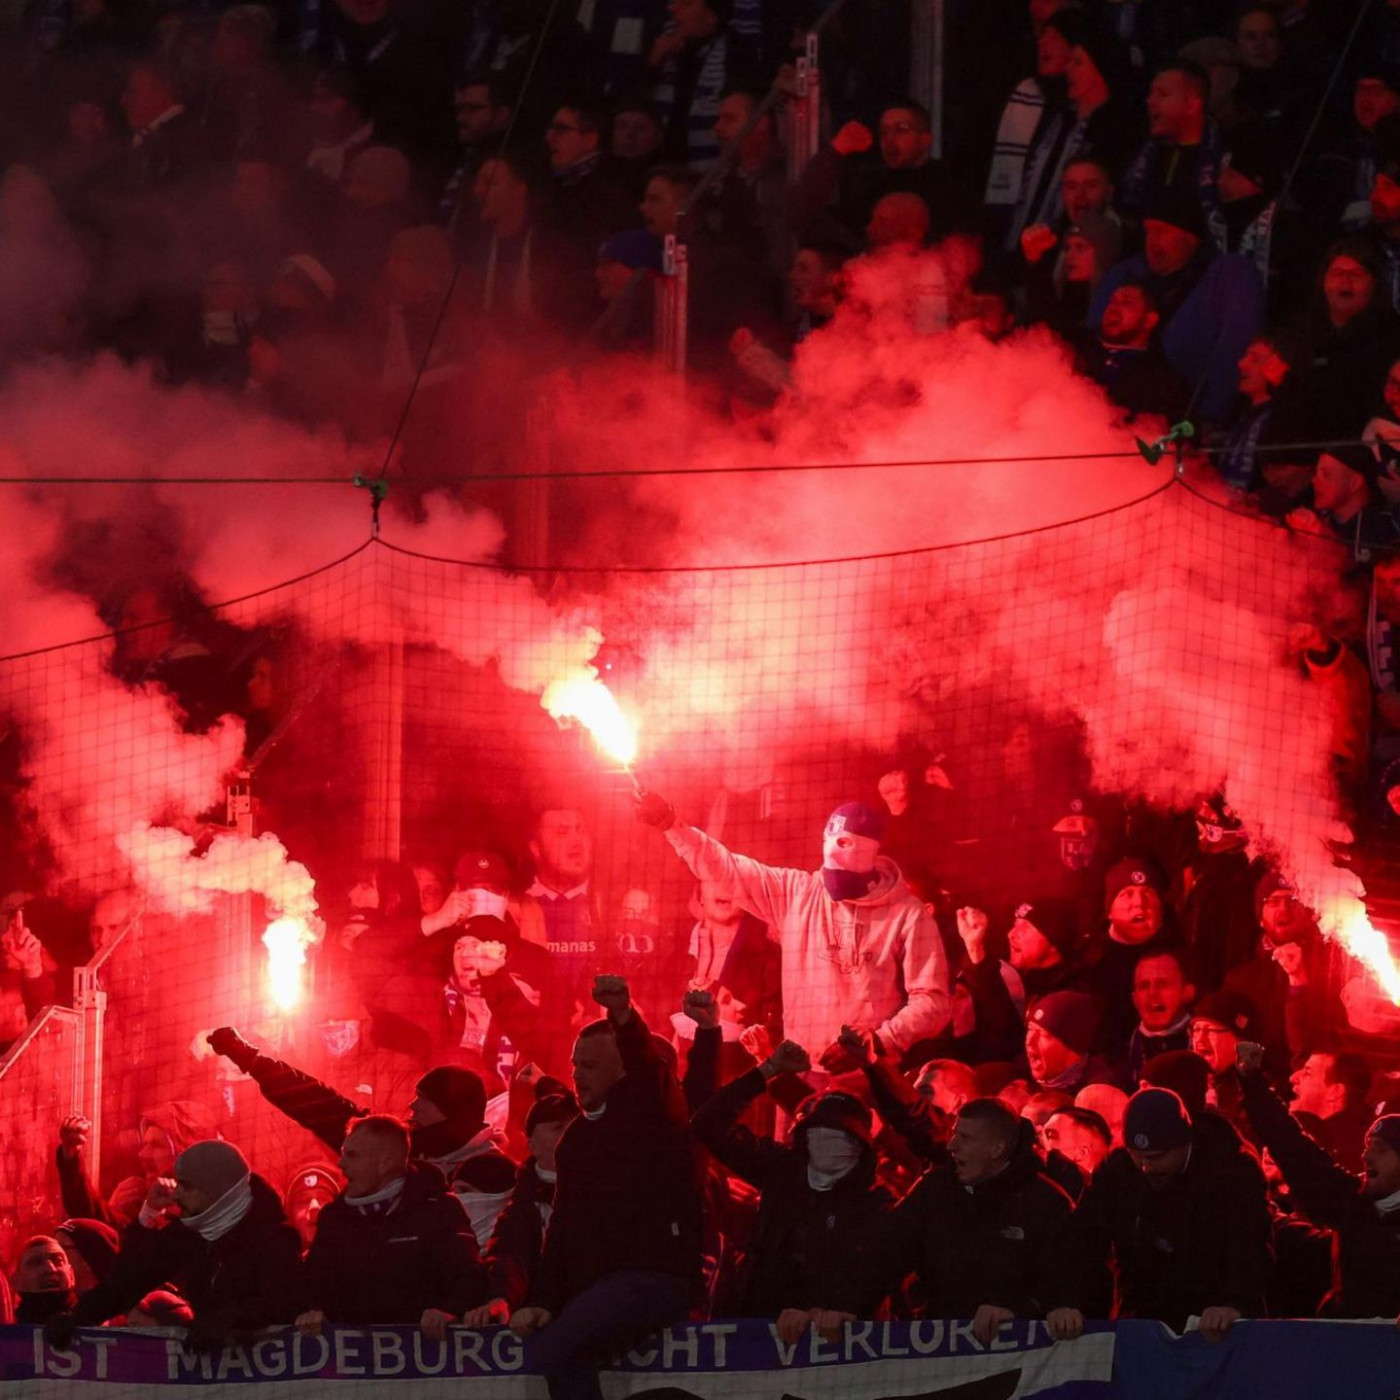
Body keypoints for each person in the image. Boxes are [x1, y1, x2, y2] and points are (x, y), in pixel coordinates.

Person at [638, 794, 950, 1065]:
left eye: (846, 845)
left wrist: (878, 1041)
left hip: (872, 1077)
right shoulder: (797, 893)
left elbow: (933, 1003)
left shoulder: (907, 915)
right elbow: (725, 867)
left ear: (869, 854)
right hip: (799, 1072)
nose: (835, 877)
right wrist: (672, 825)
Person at [509, 976, 703, 1400]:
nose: (577, 1075)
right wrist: (540, 1299)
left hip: (654, 1278)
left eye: (591, 1066)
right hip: (600, 1285)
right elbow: (561, 1228)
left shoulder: (652, 1115)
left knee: (556, 1350)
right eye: (575, 1064)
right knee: (560, 1355)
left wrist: (622, 1016)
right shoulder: (576, 1138)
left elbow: (649, 1072)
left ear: (623, 1069)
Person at [206, 1029, 517, 1247]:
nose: (412, 1105)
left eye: (424, 1098)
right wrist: (251, 1060)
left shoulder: (492, 1173)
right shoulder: (397, 1147)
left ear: (453, 1110)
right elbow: (319, 1104)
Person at [691, 1029, 892, 1334]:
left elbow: (877, 1272)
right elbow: (709, 1123)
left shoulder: (878, 1201)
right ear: (803, 1140)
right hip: (756, 1334)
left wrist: (827, 1310)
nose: (828, 1145)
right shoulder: (782, 1170)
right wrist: (768, 1069)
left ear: (861, 1145)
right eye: (818, 1134)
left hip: (836, 1345)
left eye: (841, 1136)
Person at [1046, 1087, 1272, 1342]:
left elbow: (1250, 1243)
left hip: (1215, 1320)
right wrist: (1067, 1302)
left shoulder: (1232, 1172)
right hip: (1144, 1317)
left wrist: (1235, 1303)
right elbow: (1083, 1239)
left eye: (1156, 1157)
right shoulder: (1118, 1170)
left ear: (1184, 1143)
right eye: (1137, 1156)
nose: (1146, 1167)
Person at [50, 1140, 304, 1352]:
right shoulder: (188, 1236)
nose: (176, 1194)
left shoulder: (277, 1240)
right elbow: (128, 1281)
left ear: (216, 1190)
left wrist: (231, 1321)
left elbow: (281, 1304)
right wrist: (79, 1317)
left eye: (187, 1186)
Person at [858, 1098, 1073, 1342]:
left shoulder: (1046, 1203)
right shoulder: (935, 1190)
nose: (952, 1145)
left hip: (1018, 1352)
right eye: (954, 1134)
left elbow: (1066, 1280)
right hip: (941, 1346)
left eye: (965, 1138)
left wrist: (1020, 1311)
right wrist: (841, 1307)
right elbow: (885, 1254)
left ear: (996, 1149)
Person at [1237, 1041, 1400, 1317]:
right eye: (1366, 1147)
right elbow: (1294, 1150)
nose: (1366, 1157)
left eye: (1381, 1149)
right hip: (1346, 1344)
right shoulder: (1352, 1203)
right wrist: (1253, 1083)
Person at [296, 1114, 486, 1335]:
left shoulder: (437, 1209)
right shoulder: (334, 1217)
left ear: (385, 1163)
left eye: (352, 1156)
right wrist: (313, 1310)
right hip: (352, 1362)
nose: (341, 1164)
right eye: (343, 1154)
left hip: (422, 1357)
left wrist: (450, 1311)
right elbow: (314, 1281)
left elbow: (470, 1275)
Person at [466, 1088, 579, 1327]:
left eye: (576, 1126)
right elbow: (509, 1256)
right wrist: (501, 1298)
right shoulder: (520, 1209)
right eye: (558, 1127)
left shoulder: (610, 1193)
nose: (571, 1134)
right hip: (536, 1321)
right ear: (532, 1143)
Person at [1126, 948, 1197, 1085]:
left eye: (1163, 984)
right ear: (1134, 999)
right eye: (1144, 985)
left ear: (1187, 992)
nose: (1152, 993)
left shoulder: (1208, 1050)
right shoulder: (1117, 1056)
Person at [11, 1236, 77, 1323]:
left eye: (58, 1260)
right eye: (36, 1263)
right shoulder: (7, 1333)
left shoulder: (96, 1325)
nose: (50, 1269)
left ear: (71, 1275)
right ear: (17, 1281)